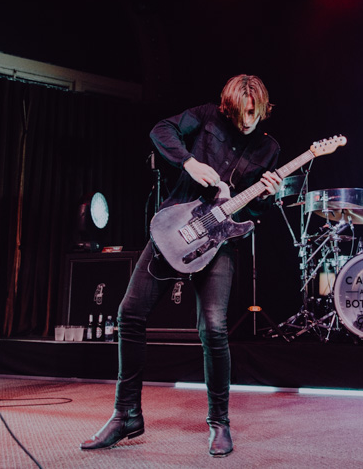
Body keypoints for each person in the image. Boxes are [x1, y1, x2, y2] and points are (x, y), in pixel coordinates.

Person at [81, 75, 282, 457]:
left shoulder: (269, 148)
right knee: (129, 314)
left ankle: (219, 423)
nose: (247, 122)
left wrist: (266, 196)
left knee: (215, 328)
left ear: (263, 108)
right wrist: (189, 163)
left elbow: (252, 211)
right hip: (175, 230)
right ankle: (126, 415)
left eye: (254, 115)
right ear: (228, 106)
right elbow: (161, 130)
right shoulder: (205, 117)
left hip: (217, 243)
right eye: (241, 114)